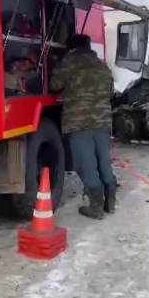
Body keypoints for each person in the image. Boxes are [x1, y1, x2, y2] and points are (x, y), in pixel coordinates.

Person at [49, 34, 116, 220]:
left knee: (86, 163)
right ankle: (109, 202)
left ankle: (95, 207)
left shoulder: (69, 64)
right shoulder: (102, 66)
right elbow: (110, 93)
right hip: (102, 121)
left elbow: (54, 85)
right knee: (103, 160)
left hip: (79, 122)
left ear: (71, 48)